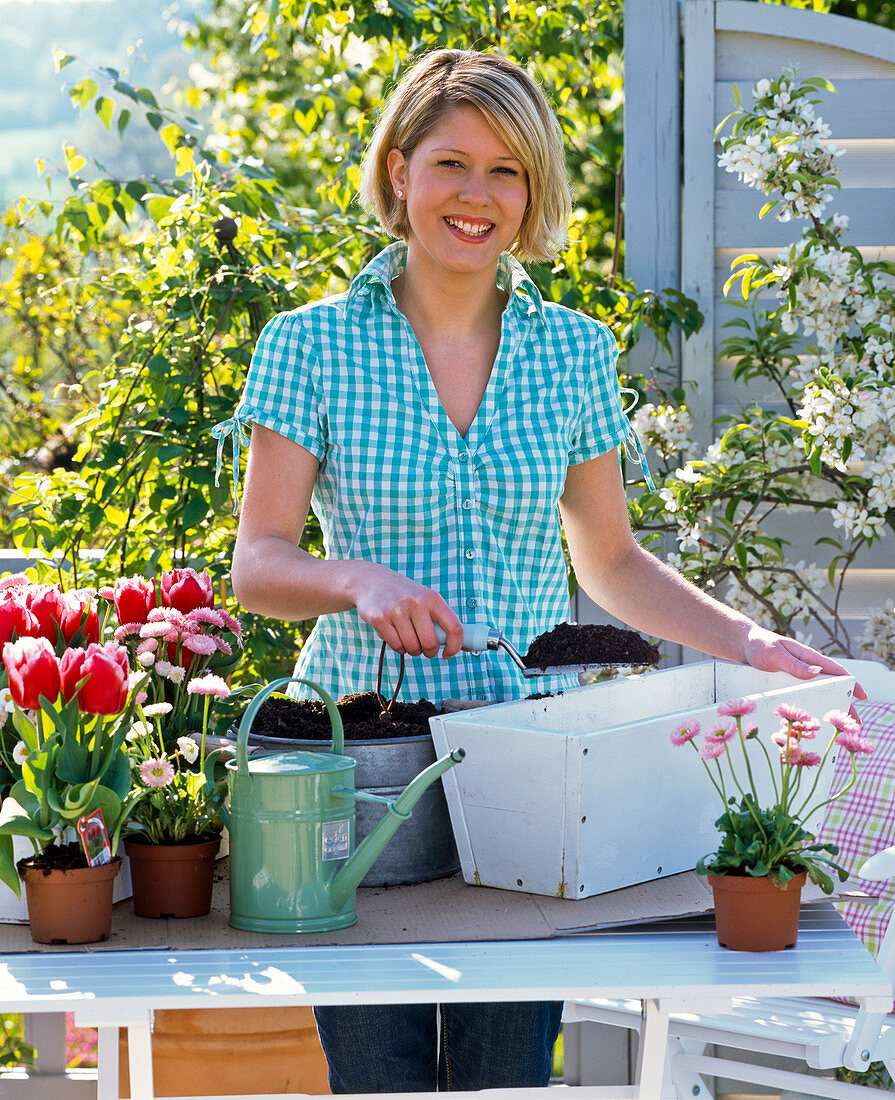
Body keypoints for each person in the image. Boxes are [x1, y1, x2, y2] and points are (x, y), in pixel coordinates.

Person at [217, 48, 862, 1094]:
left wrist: (746, 640)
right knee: (378, 1079)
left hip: (530, 769)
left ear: (535, 190)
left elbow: (607, 561)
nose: (477, 196)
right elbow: (259, 563)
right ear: (396, 171)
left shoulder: (571, 352)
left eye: (508, 171)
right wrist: (358, 582)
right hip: (362, 770)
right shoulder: (311, 344)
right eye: (451, 163)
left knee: (505, 1080)